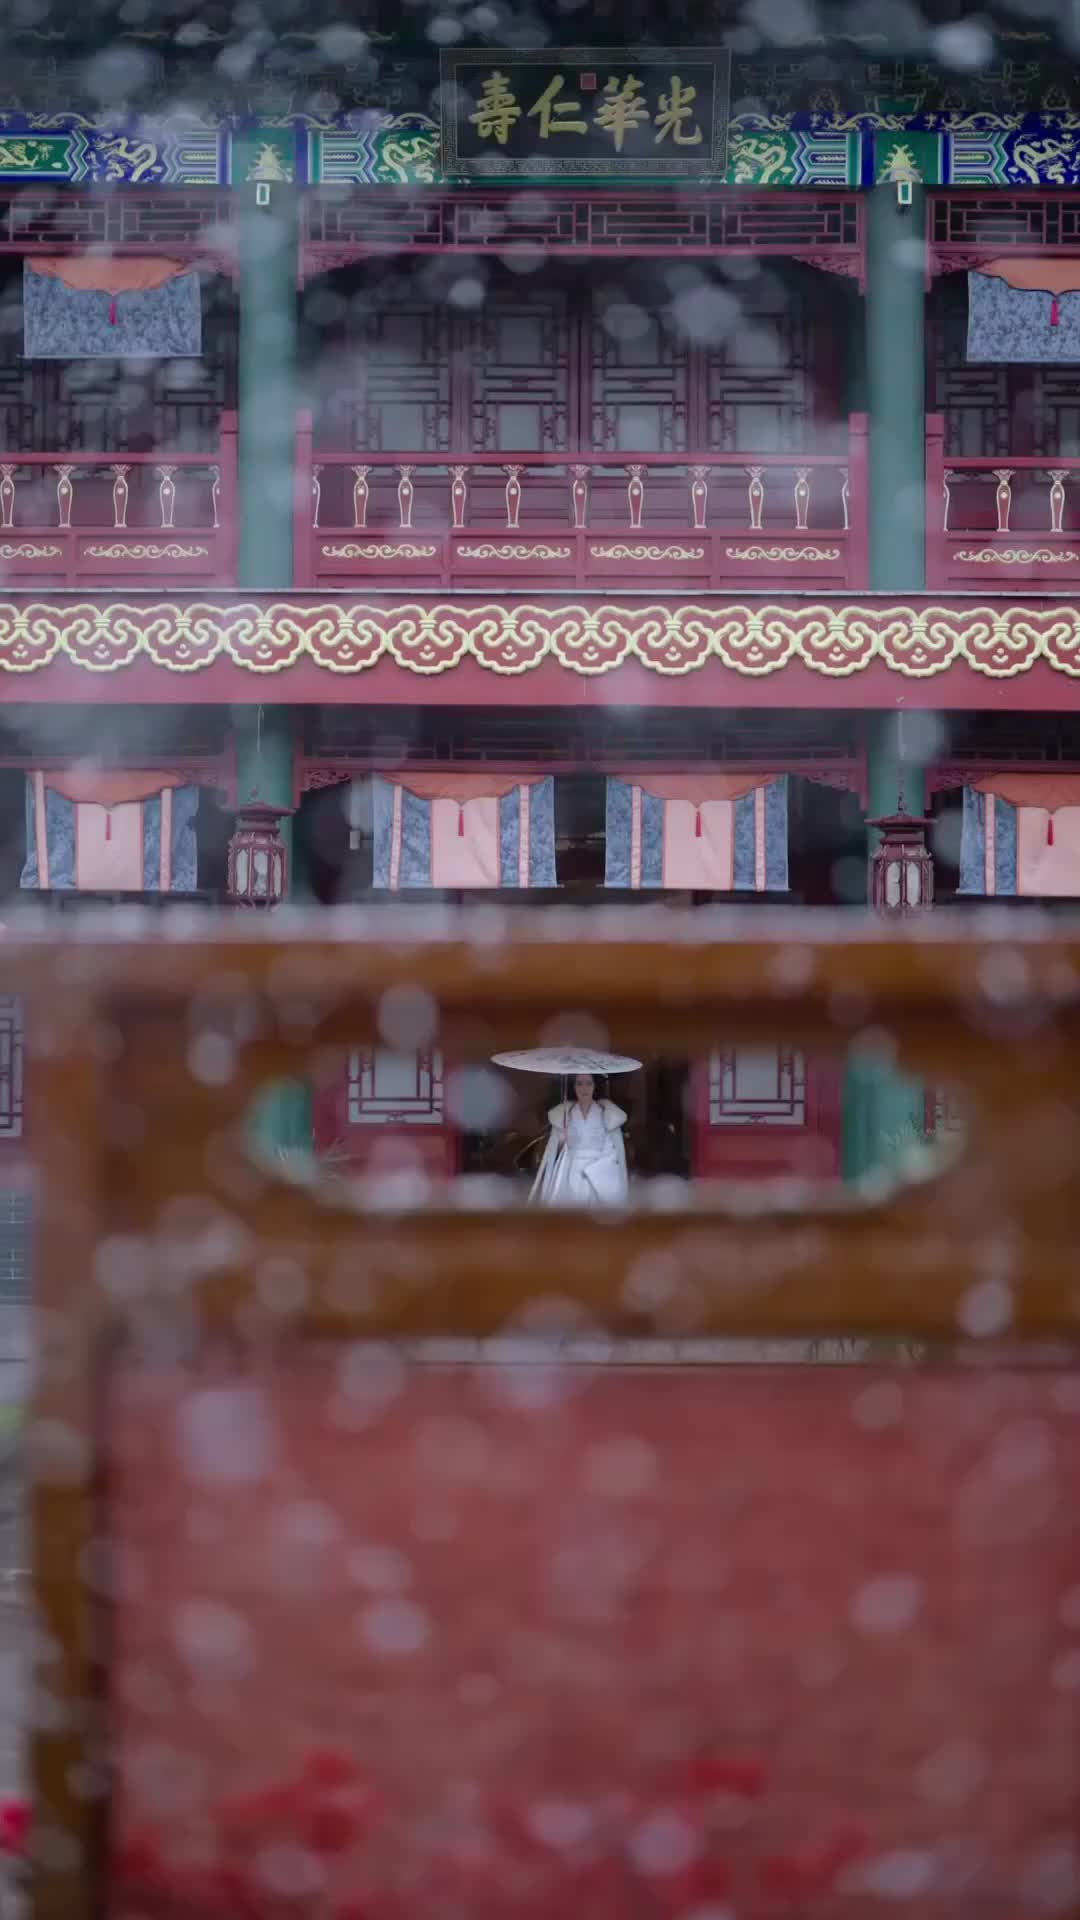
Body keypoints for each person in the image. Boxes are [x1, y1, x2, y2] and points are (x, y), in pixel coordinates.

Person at [530, 1072, 629, 1207]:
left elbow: (611, 1147)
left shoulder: (604, 1111)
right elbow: (557, 1147)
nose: (584, 1088)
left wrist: (600, 1168)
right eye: (579, 1084)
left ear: (594, 1086)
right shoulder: (567, 1112)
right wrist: (563, 1137)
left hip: (598, 1170)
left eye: (588, 1084)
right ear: (574, 1087)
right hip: (573, 1168)